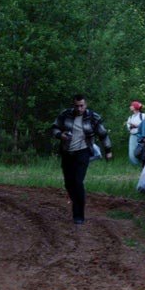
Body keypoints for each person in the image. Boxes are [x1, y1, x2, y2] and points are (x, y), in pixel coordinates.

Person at [51, 94, 113, 224]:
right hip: (67, 152)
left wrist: (108, 151)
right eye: (77, 106)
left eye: (82, 106)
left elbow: (103, 134)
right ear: (73, 105)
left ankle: (79, 215)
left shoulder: (93, 118)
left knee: (78, 182)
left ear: (86, 105)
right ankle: (77, 201)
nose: (79, 108)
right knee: (69, 183)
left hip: (83, 152)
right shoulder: (65, 115)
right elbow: (54, 128)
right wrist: (59, 135)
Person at [125, 101, 145, 166]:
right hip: (133, 136)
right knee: (131, 152)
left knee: (141, 150)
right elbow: (128, 127)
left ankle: (143, 164)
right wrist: (130, 126)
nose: (130, 107)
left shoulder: (143, 116)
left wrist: (135, 126)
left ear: (135, 107)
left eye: (132, 105)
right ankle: (135, 165)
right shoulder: (130, 117)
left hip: (141, 135)